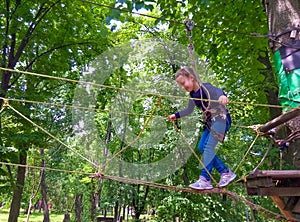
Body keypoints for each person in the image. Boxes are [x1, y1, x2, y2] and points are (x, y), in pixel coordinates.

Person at [167, 66, 236, 190]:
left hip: (221, 119)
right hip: (210, 122)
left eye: (183, 83)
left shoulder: (206, 88)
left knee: (208, 147)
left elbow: (218, 91)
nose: (183, 87)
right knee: (201, 147)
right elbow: (189, 110)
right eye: (181, 85)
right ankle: (225, 172)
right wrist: (176, 115)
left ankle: (205, 179)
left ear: (191, 78)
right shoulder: (193, 95)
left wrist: (222, 97)